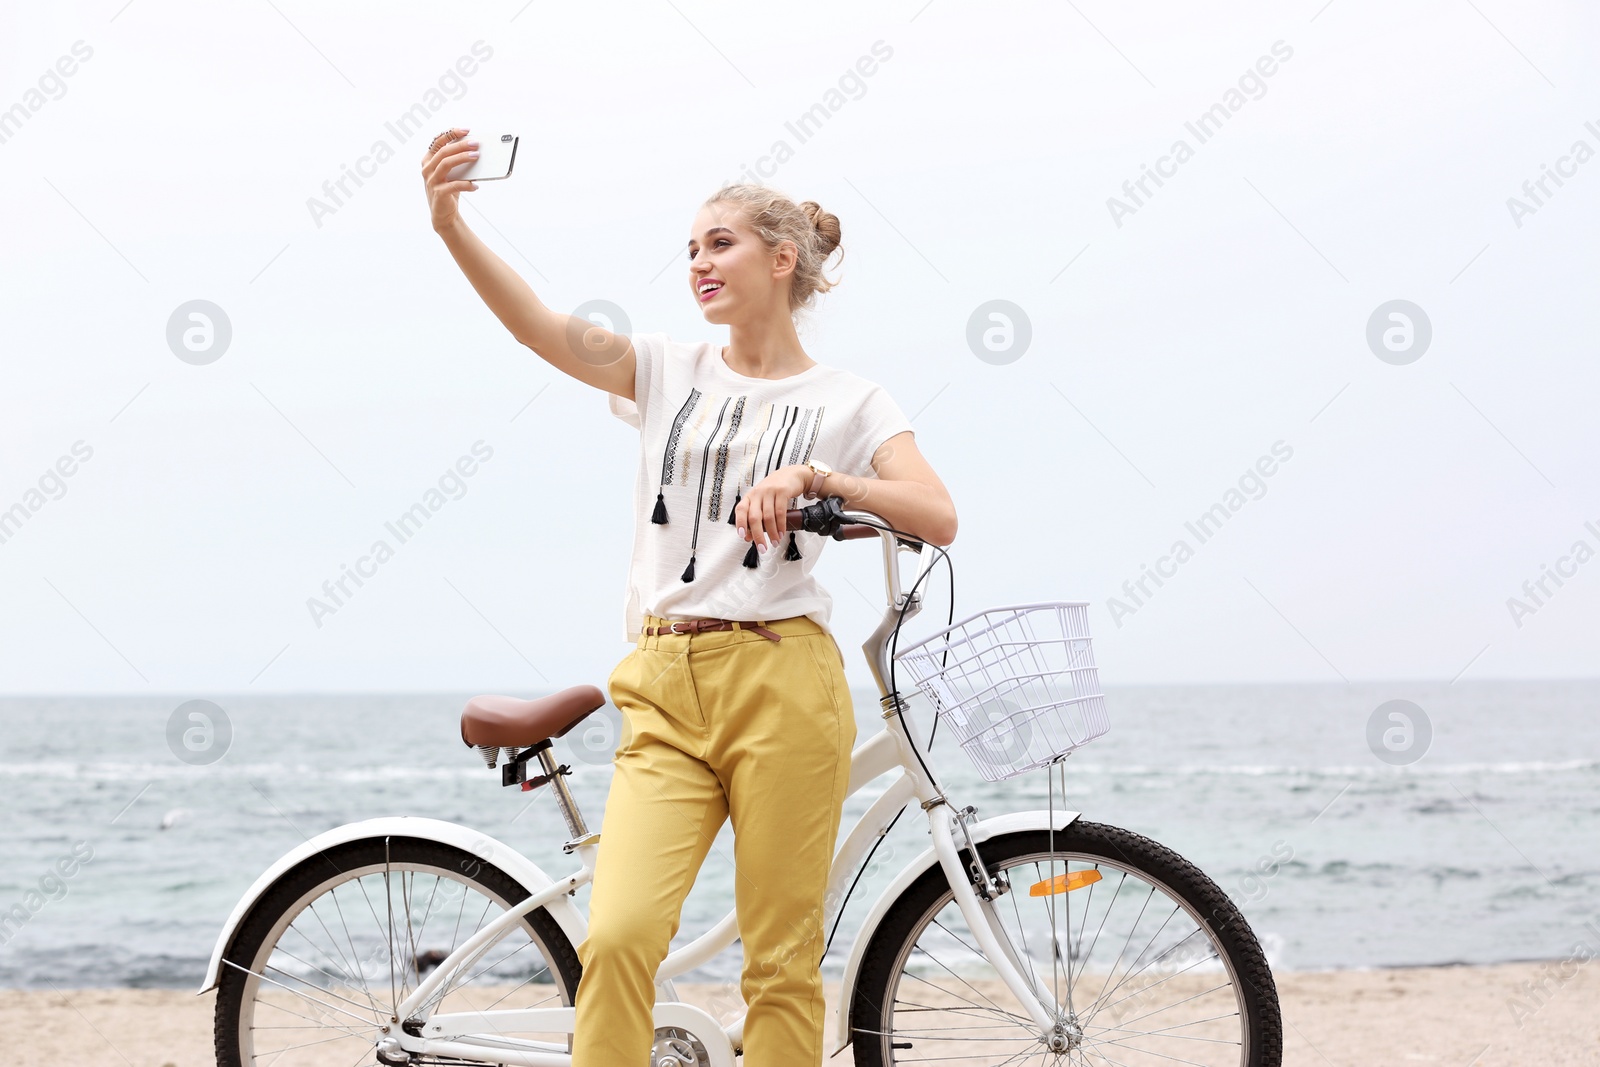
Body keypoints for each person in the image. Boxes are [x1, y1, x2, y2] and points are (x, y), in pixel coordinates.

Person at [421, 127, 957, 1066]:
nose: (700, 262)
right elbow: (536, 326)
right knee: (620, 937)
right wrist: (448, 225)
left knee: (782, 962)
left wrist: (819, 478)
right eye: (693, 249)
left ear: (782, 258)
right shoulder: (669, 369)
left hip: (784, 684)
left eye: (721, 243)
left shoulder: (851, 400)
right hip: (664, 683)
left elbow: (935, 512)